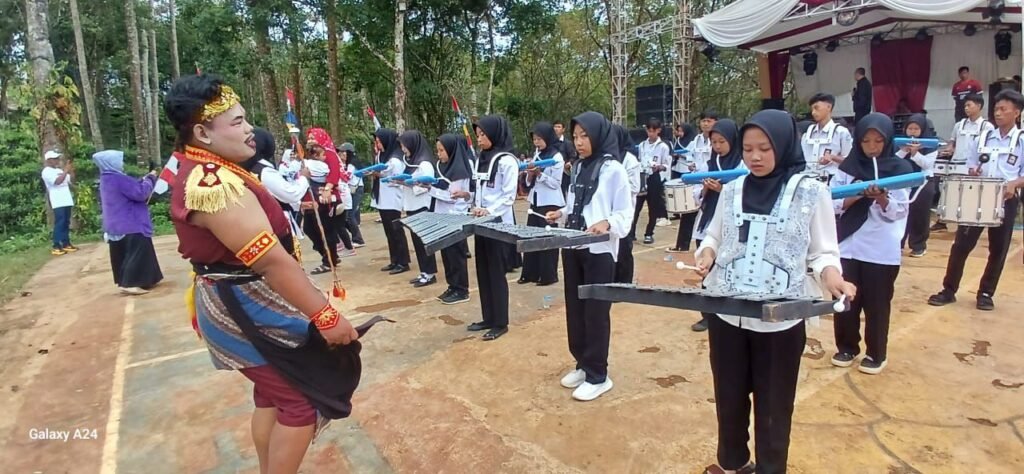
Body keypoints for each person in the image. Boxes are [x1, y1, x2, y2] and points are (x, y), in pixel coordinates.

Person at [165, 74, 361, 474]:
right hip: (242, 306)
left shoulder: (212, 169)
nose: (248, 128)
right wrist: (325, 316)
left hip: (244, 298)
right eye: (237, 122)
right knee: (300, 402)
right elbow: (270, 261)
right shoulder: (212, 182)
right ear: (202, 133)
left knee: (271, 397)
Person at [694, 109, 855, 474]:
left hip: (780, 321)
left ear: (782, 146)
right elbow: (715, 235)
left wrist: (832, 277)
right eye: (748, 149)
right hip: (727, 313)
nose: (755, 157)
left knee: (774, 405)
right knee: (729, 397)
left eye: (764, 149)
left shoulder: (811, 192)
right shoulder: (732, 189)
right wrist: (707, 254)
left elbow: (823, 251)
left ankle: (770, 468)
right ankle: (733, 463)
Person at [545, 111, 633, 402]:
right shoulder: (579, 166)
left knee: (595, 313)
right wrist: (561, 213)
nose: (579, 142)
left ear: (598, 135)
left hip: (599, 251)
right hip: (573, 245)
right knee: (575, 309)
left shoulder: (614, 169)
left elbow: (625, 213)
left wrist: (608, 223)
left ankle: (598, 375)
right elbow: (577, 205)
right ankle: (582, 363)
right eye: (575, 137)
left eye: (585, 136)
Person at [830, 113, 912, 375]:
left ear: (887, 141)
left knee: (877, 303)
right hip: (848, 244)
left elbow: (900, 211)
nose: (872, 147)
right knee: (845, 299)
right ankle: (846, 347)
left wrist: (882, 199)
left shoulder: (900, 171)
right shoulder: (847, 168)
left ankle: (876, 353)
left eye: (878, 141)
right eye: (866, 141)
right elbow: (832, 203)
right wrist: (857, 194)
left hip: (881, 248)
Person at [928, 90, 1024, 311]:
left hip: (1005, 200)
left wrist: (1014, 184)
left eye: (1003, 109)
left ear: (1017, 113)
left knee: (998, 249)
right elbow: (972, 163)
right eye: (996, 109)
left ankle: (986, 293)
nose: (998, 113)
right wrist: (974, 170)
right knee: (961, 246)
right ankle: (948, 290)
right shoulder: (984, 137)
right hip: (978, 196)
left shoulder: (1021, 140)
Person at [467, 115, 520, 341]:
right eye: (477, 135)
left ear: (494, 134)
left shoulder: (507, 161)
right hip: (481, 223)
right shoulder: (481, 158)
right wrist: (473, 204)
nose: (479, 139)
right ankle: (488, 317)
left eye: (483, 135)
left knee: (497, 274)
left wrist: (488, 210)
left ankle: (500, 322)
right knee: (483, 271)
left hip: (498, 225)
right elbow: (479, 190)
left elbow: (508, 197)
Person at [689, 119, 744, 334]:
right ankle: (707, 314)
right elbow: (695, 194)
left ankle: (728, 311)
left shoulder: (741, 165)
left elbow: (744, 194)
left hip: (730, 225)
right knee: (705, 267)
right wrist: (705, 189)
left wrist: (723, 190)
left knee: (726, 268)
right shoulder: (709, 164)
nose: (718, 146)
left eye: (722, 141)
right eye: (714, 142)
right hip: (707, 221)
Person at [93, 150, 164, 294]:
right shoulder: (118, 178)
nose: (122, 163)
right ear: (112, 162)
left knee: (123, 254)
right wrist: (150, 179)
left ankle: (140, 280)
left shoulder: (107, 178)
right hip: (130, 223)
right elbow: (140, 193)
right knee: (137, 253)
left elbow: (131, 188)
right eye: (119, 160)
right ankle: (130, 283)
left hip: (116, 224)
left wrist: (144, 179)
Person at [933, 93, 994, 232]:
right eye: (965, 105)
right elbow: (952, 143)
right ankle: (942, 220)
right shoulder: (959, 125)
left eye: (969, 105)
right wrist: (948, 150)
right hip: (956, 164)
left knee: (969, 195)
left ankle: (966, 224)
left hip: (973, 166)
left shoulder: (987, 126)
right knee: (948, 192)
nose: (966, 108)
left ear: (978, 106)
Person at [244, 128, 309, 251]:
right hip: (275, 222)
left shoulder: (248, 168)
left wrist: (299, 204)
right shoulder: (264, 171)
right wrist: (304, 178)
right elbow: (290, 194)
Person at [430, 134, 475, 304]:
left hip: (455, 218)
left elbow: (452, 197)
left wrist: (429, 189)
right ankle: (452, 286)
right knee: (447, 254)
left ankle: (461, 290)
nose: (439, 154)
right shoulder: (443, 167)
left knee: (456, 255)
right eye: (438, 150)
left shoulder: (459, 170)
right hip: (442, 217)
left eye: (442, 150)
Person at [519, 122, 565, 286]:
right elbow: (528, 182)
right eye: (534, 139)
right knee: (532, 236)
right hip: (536, 201)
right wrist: (530, 174)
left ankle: (548, 275)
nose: (536, 142)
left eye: (539, 139)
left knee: (548, 238)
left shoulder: (557, 157)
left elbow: (556, 184)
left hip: (550, 202)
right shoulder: (537, 154)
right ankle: (530, 273)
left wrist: (540, 174)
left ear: (547, 137)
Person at [303, 128, 350, 275]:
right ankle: (329, 255)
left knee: (325, 229)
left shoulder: (329, 153)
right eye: (309, 138)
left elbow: (334, 173)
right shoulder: (309, 154)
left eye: (313, 138)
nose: (310, 140)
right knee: (309, 228)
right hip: (312, 197)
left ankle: (329, 261)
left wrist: (328, 189)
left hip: (326, 198)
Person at [667, 111, 717, 253]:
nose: (706, 124)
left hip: (712, 182)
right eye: (703, 121)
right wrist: (692, 164)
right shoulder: (696, 140)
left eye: (709, 121)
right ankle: (682, 245)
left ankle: (708, 248)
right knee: (688, 213)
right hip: (697, 182)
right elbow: (690, 156)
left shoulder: (718, 140)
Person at [398, 130, 439, 287]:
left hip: (422, 206)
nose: (403, 149)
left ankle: (430, 273)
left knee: (424, 242)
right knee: (417, 242)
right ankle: (424, 271)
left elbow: (428, 186)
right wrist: (401, 182)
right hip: (412, 206)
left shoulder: (424, 164)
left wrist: (411, 184)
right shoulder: (412, 162)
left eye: (404, 145)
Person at [897, 114, 938, 257]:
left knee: (920, 214)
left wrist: (915, 153)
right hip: (904, 182)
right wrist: (904, 150)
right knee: (900, 213)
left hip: (923, 182)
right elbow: (894, 161)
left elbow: (927, 164)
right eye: (910, 128)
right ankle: (898, 243)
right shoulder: (899, 142)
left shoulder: (931, 144)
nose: (912, 132)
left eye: (916, 129)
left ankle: (918, 245)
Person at [373, 128, 411, 275]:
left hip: (393, 199)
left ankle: (403, 261)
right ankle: (394, 259)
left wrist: (382, 176)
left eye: (379, 142)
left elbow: (399, 179)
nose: (377, 145)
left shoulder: (396, 159)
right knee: (389, 231)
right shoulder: (382, 156)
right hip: (383, 199)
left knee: (396, 231)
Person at [630, 118, 672, 244]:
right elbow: (639, 159)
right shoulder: (642, 145)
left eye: (653, 131)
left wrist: (659, 167)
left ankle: (649, 233)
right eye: (648, 131)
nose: (650, 134)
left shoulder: (663, 146)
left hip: (654, 177)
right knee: (636, 206)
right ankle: (631, 232)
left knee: (653, 207)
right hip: (642, 177)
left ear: (658, 130)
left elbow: (667, 164)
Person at [612, 124, 642, 284]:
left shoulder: (630, 160)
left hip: (624, 210)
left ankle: (624, 283)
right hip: (609, 211)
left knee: (624, 247)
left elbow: (635, 187)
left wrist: (615, 188)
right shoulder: (606, 157)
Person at [801, 93, 853, 183]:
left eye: (816, 108)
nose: (813, 113)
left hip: (832, 180)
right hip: (808, 178)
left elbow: (850, 161)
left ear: (829, 107)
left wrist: (833, 157)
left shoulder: (841, 132)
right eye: (812, 109)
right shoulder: (807, 133)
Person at [41, 149, 77, 256]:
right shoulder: (46, 171)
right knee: (60, 222)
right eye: (55, 159)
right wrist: (65, 171)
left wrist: (71, 170)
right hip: (57, 200)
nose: (57, 160)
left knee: (66, 222)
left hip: (66, 199)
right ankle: (56, 245)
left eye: (57, 158)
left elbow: (71, 180)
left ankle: (66, 243)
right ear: (49, 160)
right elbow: (57, 182)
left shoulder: (59, 170)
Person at [338, 143, 365, 247]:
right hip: (351, 190)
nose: (340, 153)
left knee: (349, 215)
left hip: (356, 190)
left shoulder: (351, 165)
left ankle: (358, 240)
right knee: (347, 215)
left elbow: (347, 177)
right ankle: (355, 237)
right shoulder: (347, 164)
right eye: (340, 151)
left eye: (343, 151)